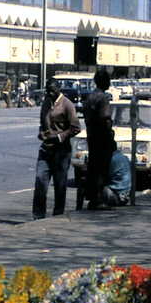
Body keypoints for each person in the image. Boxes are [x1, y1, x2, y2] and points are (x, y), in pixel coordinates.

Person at [33, 79, 82, 219]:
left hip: (61, 151)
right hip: (46, 149)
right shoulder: (46, 103)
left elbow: (76, 128)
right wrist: (42, 133)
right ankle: (38, 215)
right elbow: (42, 123)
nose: (50, 93)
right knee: (40, 180)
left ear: (59, 89)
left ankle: (58, 215)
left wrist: (60, 137)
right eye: (47, 90)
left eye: (53, 90)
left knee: (60, 184)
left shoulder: (67, 105)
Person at [81, 68, 116, 209]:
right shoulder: (103, 98)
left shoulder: (90, 97)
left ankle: (93, 197)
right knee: (102, 168)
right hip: (102, 138)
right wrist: (110, 137)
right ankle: (99, 198)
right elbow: (106, 119)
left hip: (92, 136)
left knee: (93, 167)